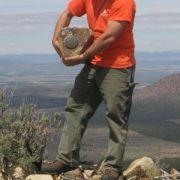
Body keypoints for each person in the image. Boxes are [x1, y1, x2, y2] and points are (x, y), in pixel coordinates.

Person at [42, 0, 136, 179]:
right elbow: (67, 13)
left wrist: (82, 56)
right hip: (94, 62)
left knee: (116, 115)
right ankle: (66, 159)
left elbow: (109, 37)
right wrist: (56, 38)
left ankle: (112, 167)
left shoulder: (124, 2)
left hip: (118, 65)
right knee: (75, 107)